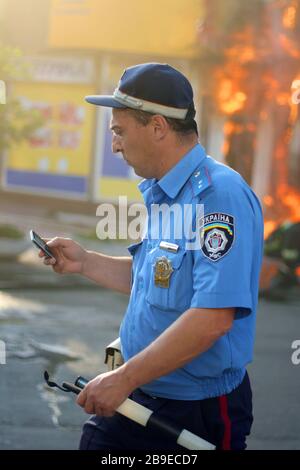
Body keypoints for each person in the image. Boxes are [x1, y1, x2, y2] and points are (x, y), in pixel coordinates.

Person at [40, 63, 264, 450]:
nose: (115, 145)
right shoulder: (166, 193)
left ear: (158, 127)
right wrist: (85, 262)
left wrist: (123, 379)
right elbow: (159, 277)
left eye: (120, 131)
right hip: (145, 390)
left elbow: (212, 317)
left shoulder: (217, 196)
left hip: (195, 410)